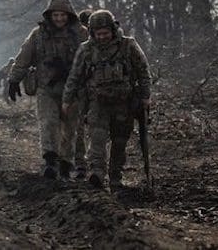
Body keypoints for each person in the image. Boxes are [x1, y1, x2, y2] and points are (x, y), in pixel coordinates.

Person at [62, 10, 151, 190]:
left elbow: (143, 71)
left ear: (112, 29)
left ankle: (115, 177)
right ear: (92, 32)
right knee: (97, 139)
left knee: (119, 141)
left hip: (124, 103)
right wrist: (67, 100)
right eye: (98, 34)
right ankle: (97, 172)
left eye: (105, 33)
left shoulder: (128, 45)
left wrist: (145, 96)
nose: (102, 37)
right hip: (97, 102)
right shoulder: (85, 49)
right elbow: (75, 76)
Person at [7, 0, 88, 180]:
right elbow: (24, 57)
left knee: (72, 128)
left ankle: (71, 163)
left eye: (62, 15)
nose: (59, 19)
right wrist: (14, 80)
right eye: (56, 15)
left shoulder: (81, 34)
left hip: (74, 89)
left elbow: (93, 57)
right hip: (47, 88)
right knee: (48, 122)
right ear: (50, 16)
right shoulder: (38, 34)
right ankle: (50, 160)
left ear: (69, 15)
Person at [74, 9, 93, 178]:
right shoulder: (78, 41)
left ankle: (92, 164)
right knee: (78, 127)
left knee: (97, 129)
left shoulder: (109, 39)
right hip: (81, 89)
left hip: (98, 91)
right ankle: (80, 163)